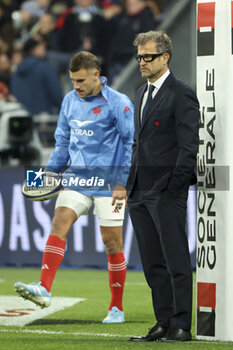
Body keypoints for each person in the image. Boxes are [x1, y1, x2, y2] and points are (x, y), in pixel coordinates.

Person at [14, 51, 134, 323]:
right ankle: (44, 288)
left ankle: (116, 308)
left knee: (111, 243)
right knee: (59, 221)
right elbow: (62, 144)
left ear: (96, 74)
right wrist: (47, 174)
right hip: (77, 177)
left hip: (108, 181)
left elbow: (130, 144)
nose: (75, 86)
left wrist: (121, 182)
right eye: (72, 81)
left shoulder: (119, 103)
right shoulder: (70, 101)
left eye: (80, 81)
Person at [127, 31, 200, 341]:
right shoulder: (140, 92)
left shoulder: (181, 93)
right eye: (140, 57)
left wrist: (174, 186)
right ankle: (164, 321)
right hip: (139, 191)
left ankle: (182, 325)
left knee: (176, 260)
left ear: (165, 57)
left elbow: (189, 146)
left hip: (166, 190)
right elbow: (138, 144)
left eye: (148, 57)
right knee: (153, 263)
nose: (142, 62)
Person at [11, 37, 63, 115]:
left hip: (23, 120)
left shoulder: (16, 72)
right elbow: (57, 95)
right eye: (41, 45)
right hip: (44, 121)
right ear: (34, 50)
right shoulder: (45, 68)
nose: (44, 47)